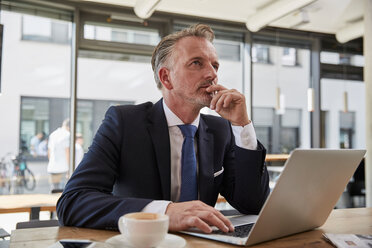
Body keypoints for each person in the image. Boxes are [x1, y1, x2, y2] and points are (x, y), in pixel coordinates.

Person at [57, 24, 269, 233]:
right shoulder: (125, 122)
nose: (211, 74)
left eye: (215, 66)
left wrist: (242, 126)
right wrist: (164, 212)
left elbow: (253, 204)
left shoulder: (220, 130)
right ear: (166, 77)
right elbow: (73, 202)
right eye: (197, 63)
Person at [47, 119, 70, 190]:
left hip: (52, 167)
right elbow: (67, 152)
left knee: (54, 191)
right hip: (64, 168)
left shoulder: (53, 134)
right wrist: (69, 168)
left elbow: (49, 151)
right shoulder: (67, 134)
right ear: (69, 127)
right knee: (64, 193)